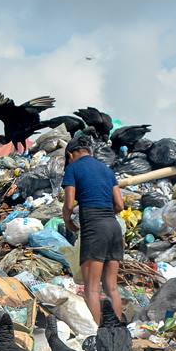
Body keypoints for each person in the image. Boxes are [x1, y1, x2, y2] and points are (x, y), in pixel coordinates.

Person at [61, 135, 125, 325]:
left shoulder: (73, 168)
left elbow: (69, 202)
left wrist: (67, 221)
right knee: (112, 287)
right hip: (114, 227)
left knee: (92, 288)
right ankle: (119, 332)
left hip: (94, 228)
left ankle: (100, 334)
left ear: (71, 154)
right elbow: (120, 205)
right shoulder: (106, 169)